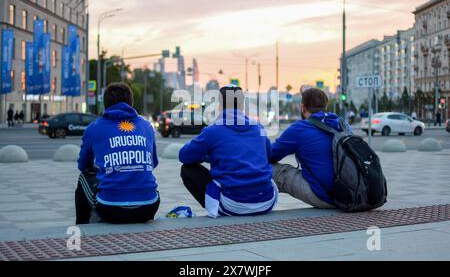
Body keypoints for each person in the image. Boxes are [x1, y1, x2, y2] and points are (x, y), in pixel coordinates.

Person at [179, 85, 278, 218]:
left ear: (220, 104)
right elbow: (268, 154)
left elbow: (184, 156)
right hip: (266, 202)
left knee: (187, 170)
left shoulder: (213, 131)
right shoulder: (257, 127)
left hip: (232, 205)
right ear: (242, 104)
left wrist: (209, 155)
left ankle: (215, 207)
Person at [75, 82, 160, 224]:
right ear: (131, 102)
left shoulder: (94, 127)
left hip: (111, 209)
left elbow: (83, 165)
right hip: (149, 207)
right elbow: (154, 163)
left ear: (105, 104)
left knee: (83, 177)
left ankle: (81, 226)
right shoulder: (146, 126)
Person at [269, 88, 351, 209]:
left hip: (324, 196)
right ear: (325, 106)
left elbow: (271, 155)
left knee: (269, 169)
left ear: (303, 107)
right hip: (350, 193)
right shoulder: (342, 124)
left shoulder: (300, 128)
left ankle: (251, 204)